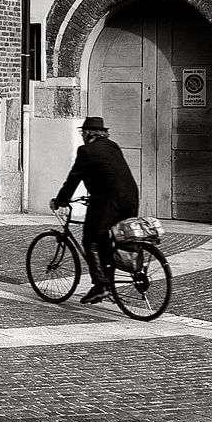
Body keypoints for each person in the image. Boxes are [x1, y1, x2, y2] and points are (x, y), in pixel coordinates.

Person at [51, 115, 140, 305]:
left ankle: (101, 285)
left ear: (88, 134)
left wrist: (60, 201)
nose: (82, 136)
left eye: (83, 133)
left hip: (108, 203)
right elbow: (109, 174)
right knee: (109, 240)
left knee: (91, 240)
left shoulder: (86, 151)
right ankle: (108, 283)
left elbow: (73, 180)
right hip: (130, 199)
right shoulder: (113, 146)